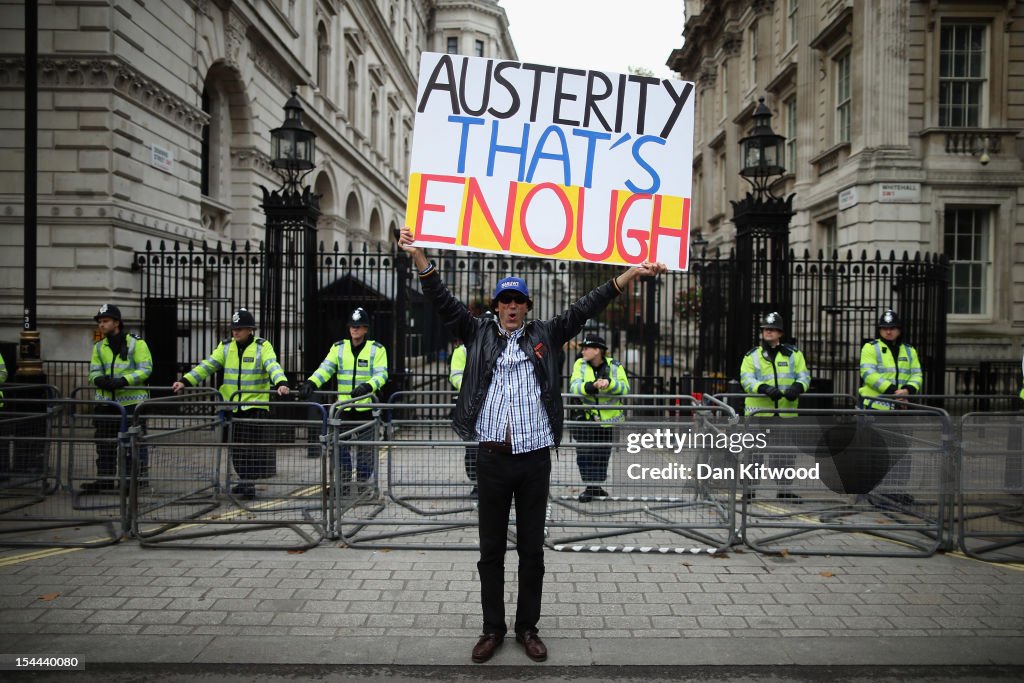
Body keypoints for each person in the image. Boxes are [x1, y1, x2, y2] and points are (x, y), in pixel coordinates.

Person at [399, 226, 666, 664]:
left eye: (517, 301)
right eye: (504, 301)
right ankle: (491, 628)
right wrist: (419, 256)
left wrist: (631, 274)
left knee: (531, 550)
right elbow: (442, 301)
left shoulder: (546, 334)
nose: (510, 307)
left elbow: (587, 305)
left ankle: (527, 628)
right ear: (496, 307)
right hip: (491, 458)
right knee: (490, 552)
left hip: (534, 460)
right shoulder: (477, 332)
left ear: (527, 307)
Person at [172, 308, 290, 500]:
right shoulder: (226, 346)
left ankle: (248, 483)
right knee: (236, 447)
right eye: (234, 328)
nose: (235, 332)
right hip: (233, 406)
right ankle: (244, 480)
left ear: (250, 329)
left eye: (240, 329)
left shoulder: (262, 346)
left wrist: (281, 382)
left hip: (255, 405)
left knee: (251, 447)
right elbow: (208, 365)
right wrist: (185, 380)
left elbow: (272, 365)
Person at [298, 307, 388, 493]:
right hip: (343, 410)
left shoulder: (376, 350)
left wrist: (368, 386)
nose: (354, 329)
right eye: (352, 326)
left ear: (366, 329)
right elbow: (326, 368)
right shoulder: (338, 348)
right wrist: (311, 383)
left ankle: (363, 484)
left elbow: (382, 375)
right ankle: (343, 484)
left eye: (359, 326)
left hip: (365, 410)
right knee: (340, 449)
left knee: (366, 451)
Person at [739, 312, 810, 501]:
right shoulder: (752, 356)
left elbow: (804, 376)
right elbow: (746, 379)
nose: (768, 332)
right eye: (765, 329)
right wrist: (763, 388)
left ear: (780, 333)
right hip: (758, 413)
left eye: (772, 329)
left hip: (785, 413)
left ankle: (784, 490)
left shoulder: (794, 354)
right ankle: (749, 490)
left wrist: (798, 387)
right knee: (753, 454)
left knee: (785, 454)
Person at [83, 304, 153, 493]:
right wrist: (100, 381)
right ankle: (105, 480)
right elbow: (93, 372)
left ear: (117, 322)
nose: (101, 325)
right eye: (100, 322)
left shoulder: (136, 344)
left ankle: (135, 480)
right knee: (104, 444)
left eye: (105, 321)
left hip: (131, 404)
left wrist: (123, 380)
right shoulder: (99, 346)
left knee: (133, 443)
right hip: (106, 403)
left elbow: (146, 369)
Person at [858, 308, 922, 505]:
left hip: (900, 409)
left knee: (901, 452)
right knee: (876, 452)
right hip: (876, 409)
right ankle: (872, 492)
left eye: (892, 328)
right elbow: (868, 374)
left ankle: (895, 491)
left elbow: (917, 374)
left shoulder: (909, 350)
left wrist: (909, 390)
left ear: (899, 330)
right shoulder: (871, 348)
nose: (888, 332)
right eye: (884, 328)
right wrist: (896, 391)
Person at [569, 334, 629, 502]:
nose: (583, 351)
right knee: (585, 454)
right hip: (586, 419)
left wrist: (609, 384)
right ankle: (591, 486)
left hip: (607, 421)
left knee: (602, 454)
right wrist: (592, 386)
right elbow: (574, 387)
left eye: (587, 348)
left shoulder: (615, 366)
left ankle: (595, 486)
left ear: (598, 350)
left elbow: (625, 389)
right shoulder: (580, 364)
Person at [449, 311, 496, 498]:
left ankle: (494, 484)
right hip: (472, 407)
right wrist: (474, 388)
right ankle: (477, 484)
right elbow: (455, 375)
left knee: (495, 448)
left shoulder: (503, 347)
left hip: (494, 407)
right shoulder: (462, 350)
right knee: (472, 448)